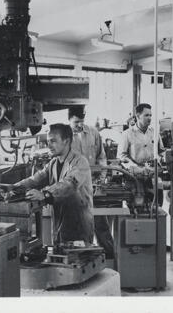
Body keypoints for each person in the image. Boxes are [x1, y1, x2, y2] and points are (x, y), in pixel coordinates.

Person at [13, 123, 94, 244]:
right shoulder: (53, 163)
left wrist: (44, 194)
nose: (49, 145)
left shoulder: (80, 162)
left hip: (78, 225)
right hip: (60, 225)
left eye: (53, 141)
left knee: (79, 260)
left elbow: (69, 184)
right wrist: (12, 188)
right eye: (48, 141)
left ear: (66, 141)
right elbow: (34, 180)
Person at [67, 106, 114, 258]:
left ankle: (109, 258)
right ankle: (82, 258)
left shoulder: (93, 133)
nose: (80, 125)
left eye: (82, 121)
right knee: (78, 225)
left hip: (95, 185)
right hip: (74, 187)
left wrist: (102, 176)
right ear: (69, 120)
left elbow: (101, 156)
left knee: (101, 224)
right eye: (76, 122)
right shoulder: (64, 137)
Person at [118, 103, 164, 176]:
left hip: (153, 174)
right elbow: (122, 156)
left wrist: (160, 159)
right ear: (138, 116)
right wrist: (135, 168)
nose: (149, 118)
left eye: (150, 115)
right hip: (135, 176)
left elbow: (161, 152)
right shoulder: (127, 134)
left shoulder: (154, 133)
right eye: (146, 115)